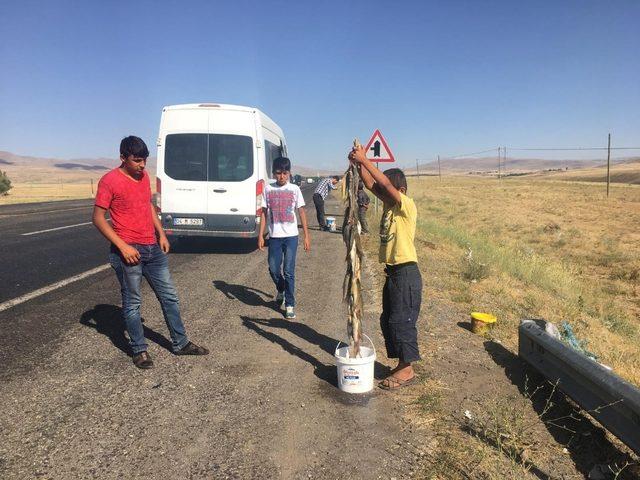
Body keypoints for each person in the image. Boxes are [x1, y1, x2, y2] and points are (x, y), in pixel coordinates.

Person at [92, 136, 209, 369]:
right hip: (127, 252)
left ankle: (181, 343)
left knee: (169, 297)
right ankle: (139, 350)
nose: (142, 165)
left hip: (152, 249)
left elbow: (148, 207)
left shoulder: (144, 177)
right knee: (133, 303)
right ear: (123, 157)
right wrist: (123, 246)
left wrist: (161, 234)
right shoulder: (109, 181)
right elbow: (97, 218)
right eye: (137, 161)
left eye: (144, 160)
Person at [348, 145, 422, 390]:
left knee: (402, 320)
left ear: (401, 190)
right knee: (388, 319)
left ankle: (407, 369)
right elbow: (373, 185)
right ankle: (401, 364)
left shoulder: (405, 206)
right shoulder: (390, 207)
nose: (383, 192)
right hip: (393, 273)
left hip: (406, 272)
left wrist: (366, 160)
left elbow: (385, 186)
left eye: (389, 188)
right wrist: (359, 164)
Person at [258, 156, 310, 320]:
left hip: (291, 237)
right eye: (278, 173)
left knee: (289, 271)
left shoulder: (295, 189)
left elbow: (301, 212)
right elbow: (264, 213)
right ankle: (281, 288)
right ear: (273, 173)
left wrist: (306, 236)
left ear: (289, 173)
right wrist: (261, 235)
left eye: (285, 173)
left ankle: (289, 304)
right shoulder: (268, 189)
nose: (281, 176)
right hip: (274, 237)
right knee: (273, 268)